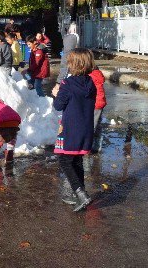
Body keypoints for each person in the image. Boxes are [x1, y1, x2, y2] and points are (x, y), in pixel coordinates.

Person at [51, 48, 97, 212]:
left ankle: (80, 193)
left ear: (74, 65)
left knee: (65, 161)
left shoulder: (68, 85)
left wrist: (56, 93)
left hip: (70, 129)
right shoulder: (91, 83)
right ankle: (79, 194)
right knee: (76, 161)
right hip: (85, 129)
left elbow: (58, 106)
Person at [55, 22, 80, 88]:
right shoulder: (74, 37)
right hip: (70, 63)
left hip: (67, 59)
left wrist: (58, 82)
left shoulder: (67, 37)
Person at [89, 64, 107, 153]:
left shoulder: (90, 76)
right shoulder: (98, 75)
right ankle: (97, 145)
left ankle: (88, 146)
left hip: (94, 104)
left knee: (91, 125)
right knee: (97, 124)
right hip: (100, 103)